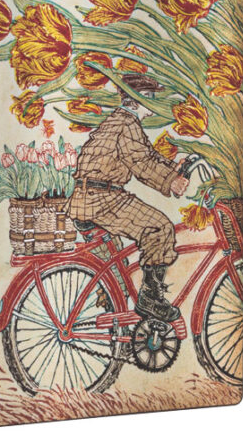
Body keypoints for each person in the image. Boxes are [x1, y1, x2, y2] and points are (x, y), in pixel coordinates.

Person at [66, 74, 189, 323]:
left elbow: (145, 154)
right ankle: (151, 299)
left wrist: (172, 167)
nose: (152, 104)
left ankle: (116, 323)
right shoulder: (127, 124)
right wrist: (171, 182)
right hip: (102, 200)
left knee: (116, 276)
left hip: (86, 201)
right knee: (159, 227)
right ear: (136, 99)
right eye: (149, 97)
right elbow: (141, 162)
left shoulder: (118, 120)